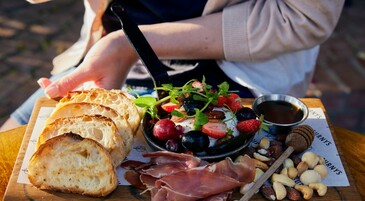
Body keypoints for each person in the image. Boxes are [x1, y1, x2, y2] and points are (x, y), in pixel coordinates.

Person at [0, 0, 345, 132]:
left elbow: (302, 17)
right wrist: (118, 46)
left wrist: (129, 44)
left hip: (238, 69)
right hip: (104, 56)